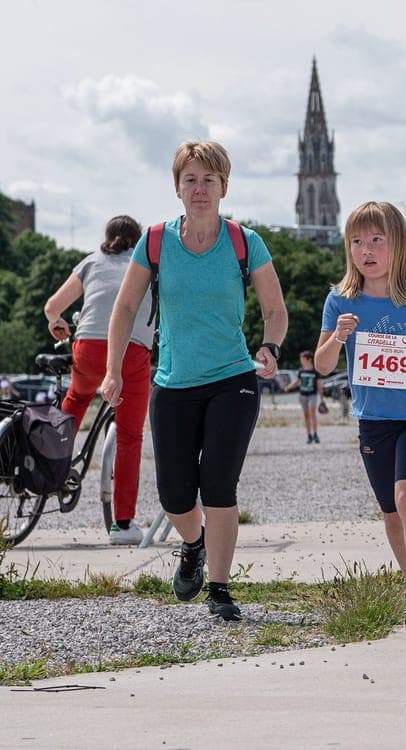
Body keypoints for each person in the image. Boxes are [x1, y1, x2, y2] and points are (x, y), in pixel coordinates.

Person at [101, 141, 288, 621]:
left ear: (224, 186)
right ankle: (194, 543)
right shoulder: (155, 241)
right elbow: (125, 307)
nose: (199, 189)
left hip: (233, 379)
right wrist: (113, 368)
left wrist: (269, 347)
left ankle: (220, 589)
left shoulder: (245, 241)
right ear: (177, 187)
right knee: (175, 496)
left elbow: (274, 309)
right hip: (173, 382)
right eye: (190, 180)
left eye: (209, 180)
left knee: (219, 485)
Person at [314, 201, 406, 635]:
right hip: (373, 419)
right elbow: (322, 364)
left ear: (398, 244)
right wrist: (338, 337)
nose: (367, 250)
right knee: (392, 512)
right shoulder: (340, 299)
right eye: (357, 241)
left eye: (377, 240)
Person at [44, 215, 154, 545]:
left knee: (77, 399)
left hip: (88, 348)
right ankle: (123, 524)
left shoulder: (91, 262)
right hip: (132, 351)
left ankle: (51, 466)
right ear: (138, 239)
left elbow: (52, 307)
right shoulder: (148, 265)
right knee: (130, 436)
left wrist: (58, 323)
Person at [285, 350, 321, 444]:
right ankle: (309, 435)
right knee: (306, 415)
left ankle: (315, 434)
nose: (301, 361)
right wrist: (288, 387)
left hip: (312, 395)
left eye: (303, 359)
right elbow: (297, 381)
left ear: (309, 360)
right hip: (303, 395)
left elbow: (319, 384)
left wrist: (322, 398)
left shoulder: (315, 371)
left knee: (312, 413)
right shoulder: (301, 371)